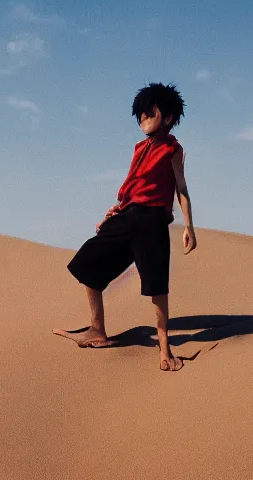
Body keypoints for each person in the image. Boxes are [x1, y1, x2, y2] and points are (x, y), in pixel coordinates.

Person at [54, 82, 197, 372]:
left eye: (149, 112)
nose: (143, 117)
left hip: (152, 222)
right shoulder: (139, 148)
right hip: (128, 216)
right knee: (87, 263)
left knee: (156, 285)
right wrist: (117, 209)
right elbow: (135, 183)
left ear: (168, 117)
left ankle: (164, 348)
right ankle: (98, 330)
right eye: (140, 114)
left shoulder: (173, 149)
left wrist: (189, 227)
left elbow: (181, 188)